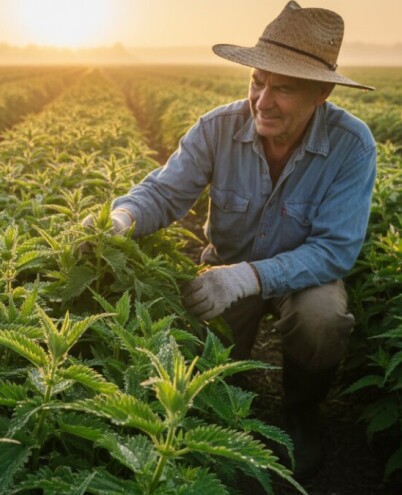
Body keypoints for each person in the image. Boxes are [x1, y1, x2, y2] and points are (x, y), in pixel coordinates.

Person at [82, 0, 377, 480]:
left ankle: (301, 412)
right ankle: (210, 421)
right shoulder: (217, 126)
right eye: (257, 82)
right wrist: (121, 219)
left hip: (303, 277)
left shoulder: (352, 145)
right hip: (224, 268)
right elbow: (164, 191)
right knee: (195, 360)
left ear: (321, 92)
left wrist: (252, 277)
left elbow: (334, 250)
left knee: (321, 319)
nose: (263, 101)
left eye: (282, 88)